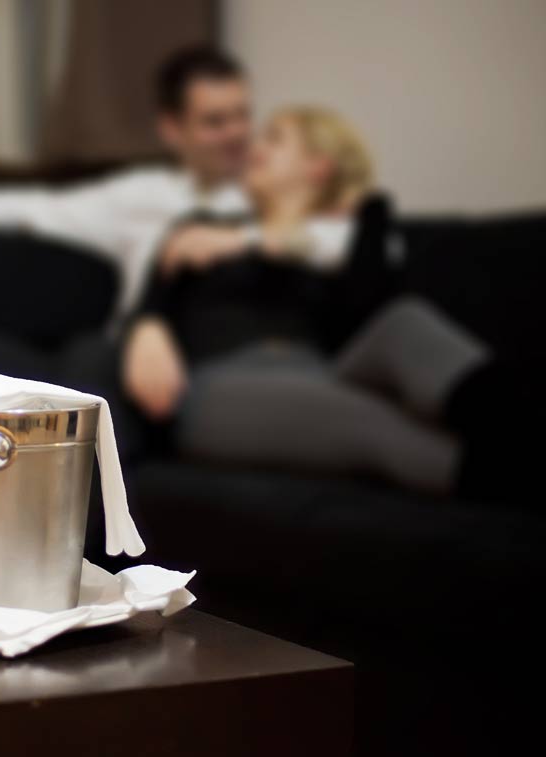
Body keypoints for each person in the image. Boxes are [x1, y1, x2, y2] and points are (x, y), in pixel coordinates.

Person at [119, 105, 538, 502]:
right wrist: (148, 328)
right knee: (374, 421)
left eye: (275, 138)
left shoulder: (346, 240)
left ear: (318, 166)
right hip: (221, 384)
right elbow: (150, 303)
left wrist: (365, 216)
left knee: (405, 322)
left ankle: (521, 422)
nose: (254, 146)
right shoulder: (201, 227)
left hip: (321, 372)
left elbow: (373, 313)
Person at [0, 46, 352, 319]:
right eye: (216, 121)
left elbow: (349, 242)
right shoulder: (143, 196)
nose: (237, 134)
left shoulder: (276, 192)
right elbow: (23, 208)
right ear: (172, 130)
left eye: (242, 116)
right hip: (141, 352)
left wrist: (243, 240)